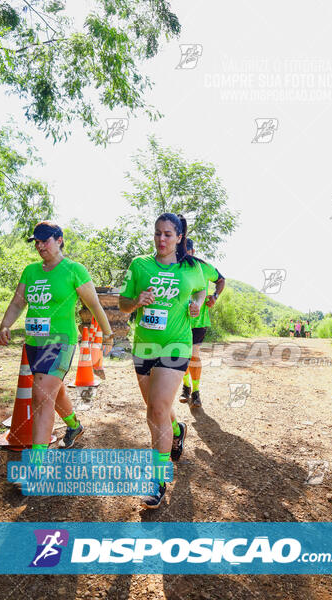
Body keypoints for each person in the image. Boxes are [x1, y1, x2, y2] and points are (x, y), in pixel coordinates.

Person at [0, 221, 114, 459]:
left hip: (61, 342)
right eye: (37, 242)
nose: (40, 246)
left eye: (45, 240)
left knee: (40, 395)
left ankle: (37, 464)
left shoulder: (74, 270)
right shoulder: (31, 271)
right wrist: (5, 324)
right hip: (34, 343)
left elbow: (93, 304)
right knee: (53, 390)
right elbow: (19, 302)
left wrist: (108, 335)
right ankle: (74, 426)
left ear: (59, 240)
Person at [118, 213, 206, 509]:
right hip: (144, 346)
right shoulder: (140, 265)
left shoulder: (191, 267)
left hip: (176, 344)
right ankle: (178, 431)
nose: (161, 239)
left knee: (157, 408)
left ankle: (157, 481)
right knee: (157, 409)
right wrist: (136, 302)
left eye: (168, 234)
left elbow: (202, 288)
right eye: (157, 233)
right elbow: (122, 303)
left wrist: (196, 304)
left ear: (179, 237)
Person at [179, 238, 225, 407]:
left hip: (198, 321)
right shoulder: (173, 264)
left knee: (193, 355)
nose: (184, 257)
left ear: (193, 252)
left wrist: (215, 296)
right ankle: (186, 386)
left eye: (187, 253)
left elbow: (221, 280)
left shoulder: (203, 267)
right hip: (179, 320)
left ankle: (196, 391)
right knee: (180, 355)